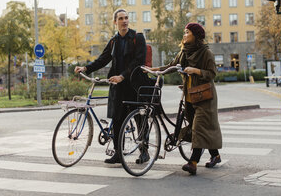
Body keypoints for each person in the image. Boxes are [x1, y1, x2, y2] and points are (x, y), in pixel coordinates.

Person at [146, 22, 222, 175]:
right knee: (198, 127)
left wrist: (195, 70)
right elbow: (172, 66)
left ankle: (193, 162)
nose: (184, 35)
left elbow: (212, 73)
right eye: (184, 32)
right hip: (190, 95)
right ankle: (215, 155)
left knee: (198, 126)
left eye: (187, 32)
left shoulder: (205, 53)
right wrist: (153, 69)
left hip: (205, 96)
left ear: (195, 35)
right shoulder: (184, 52)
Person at [74, 9, 146, 164]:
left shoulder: (137, 38)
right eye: (121, 18)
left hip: (133, 85)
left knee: (139, 118)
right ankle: (118, 154)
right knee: (117, 118)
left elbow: (138, 61)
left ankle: (144, 151)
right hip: (117, 86)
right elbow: (103, 59)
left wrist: (122, 76)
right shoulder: (114, 41)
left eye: (126, 18)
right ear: (115, 22)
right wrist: (86, 68)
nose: (124, 21)